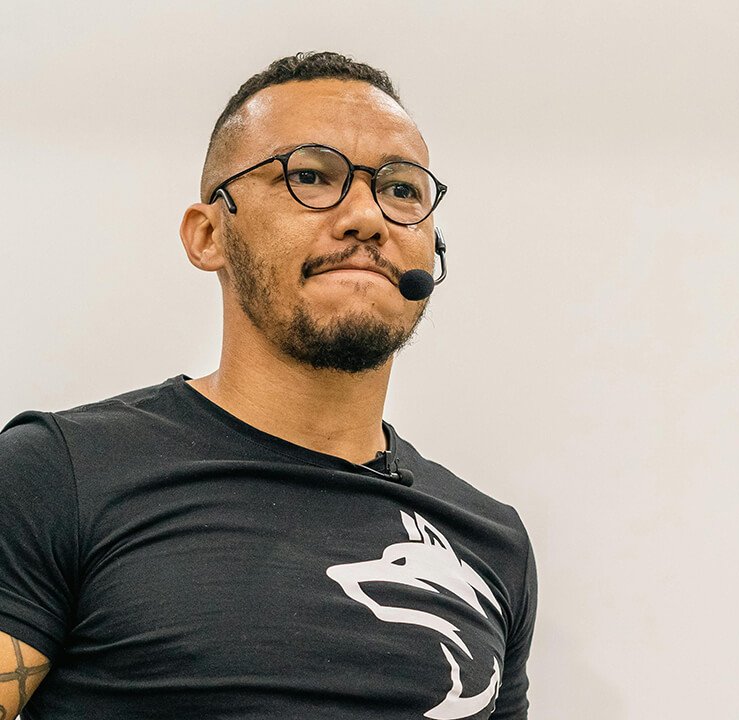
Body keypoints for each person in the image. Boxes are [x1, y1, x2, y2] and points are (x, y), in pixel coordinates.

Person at [0, 51, 537, 720]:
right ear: (208, 235)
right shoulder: (59, 476)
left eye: (402, 190)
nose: (367, 216)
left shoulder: (492, 542)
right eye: (310, 176)